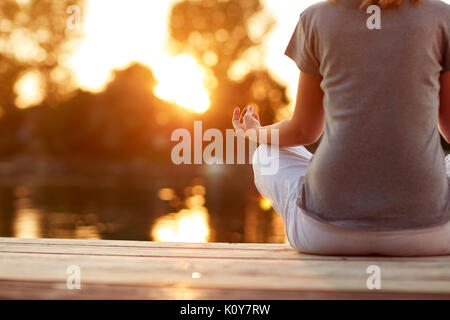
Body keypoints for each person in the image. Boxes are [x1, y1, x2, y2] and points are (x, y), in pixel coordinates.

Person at [232, 0, 450, 256]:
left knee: (265, 153)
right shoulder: (441, 15)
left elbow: (303, 131)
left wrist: (254, 132)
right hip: (431, 235)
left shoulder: (315, 18)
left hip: (323, 233)